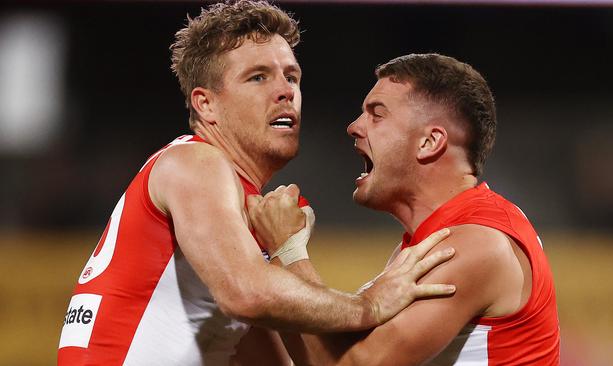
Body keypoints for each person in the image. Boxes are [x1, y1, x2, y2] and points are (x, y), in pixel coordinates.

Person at [56, 3, 457, 365]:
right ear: (206, 104)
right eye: (258, 78)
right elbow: (247, 294)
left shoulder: (237, 216)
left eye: (292, 77)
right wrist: (369, 304)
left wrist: (287, 251)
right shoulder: (195, 162)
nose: (285, 91)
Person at [248, 53, 561, 365]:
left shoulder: (477, 243)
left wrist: (286, 250)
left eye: (377, 114)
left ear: (429, 142)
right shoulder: (436, 239)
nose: (354, 126)